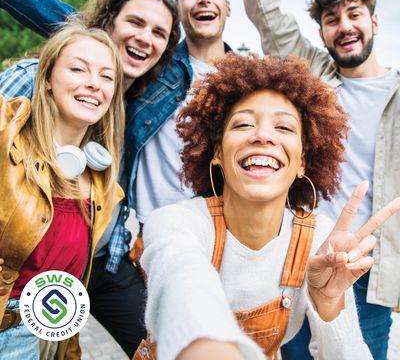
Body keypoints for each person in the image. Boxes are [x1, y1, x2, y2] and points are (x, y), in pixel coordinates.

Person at [133, 53, 400, 360]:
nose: (262, 136)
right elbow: (182, 280)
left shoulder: (320, 240)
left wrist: (329, 303)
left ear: (302, 161)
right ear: (217, 151)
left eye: (284, 128)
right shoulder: (175, 223)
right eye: (244, 124)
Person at [0, 0, 180, 356]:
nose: (145, 37)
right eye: (135, 22)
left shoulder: (119, 121)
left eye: (159, 33)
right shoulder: (26, 86)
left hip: (84, 268)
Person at [236, 0, 400, 358]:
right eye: (331, 19)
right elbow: (269, 15)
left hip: (369, 269)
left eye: (354, 14)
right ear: (323, 34)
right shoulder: (317, 79)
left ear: (375, 22)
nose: (344, 25)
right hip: (301, 255)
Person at [0, 22, 125, 359]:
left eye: (106, 76)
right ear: (47, 81)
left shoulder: (102, 185)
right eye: (77, 69)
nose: (93, 84)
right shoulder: (6, 135)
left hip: (40, 338)